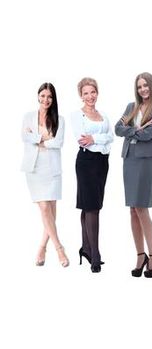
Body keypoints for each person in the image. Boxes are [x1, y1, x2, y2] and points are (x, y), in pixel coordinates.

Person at [115, 72, 152, 279]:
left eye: (146, 85)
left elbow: (148, 135)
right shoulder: (131, 107)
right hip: (129, 159)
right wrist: (138, 127)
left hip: (145, 161)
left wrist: (134, 129)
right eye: (139, 87)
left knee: (142, 208)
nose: (143, 89)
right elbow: (118, 129)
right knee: (132, 210)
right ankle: (140, 255)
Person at [72, 78, 114, 273]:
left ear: (97, 93)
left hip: (102, 163)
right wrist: (98, 141)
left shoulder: (103, 115)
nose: (90, 96)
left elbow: (111, 138)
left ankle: (86, 248)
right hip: (86, 162)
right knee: (93, 207)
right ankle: (95, 255)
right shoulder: (77, 115)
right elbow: (82, 140)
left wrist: (95, 139)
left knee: (89, 205)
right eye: (86, 93)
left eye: (93, 92)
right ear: (81, 95)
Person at [23, 82, 66, 268]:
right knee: (44, 209)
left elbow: (59, 143)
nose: (45, 100)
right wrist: (44, 138)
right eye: (42, 96)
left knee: (50, 210)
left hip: (52, 169)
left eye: (49, 97)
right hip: (34, 169)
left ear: (53, 98)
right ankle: (59, 249)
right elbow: (25, 137)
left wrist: (38, 139)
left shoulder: (60, 119)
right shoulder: (28, 117)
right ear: (38, 96)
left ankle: (42, 247)